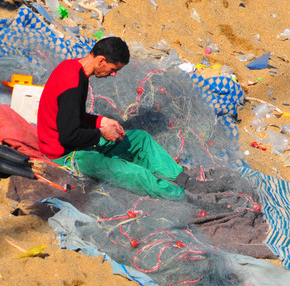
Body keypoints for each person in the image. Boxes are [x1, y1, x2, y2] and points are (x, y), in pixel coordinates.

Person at [37, 37, 204, 199]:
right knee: (134, 173)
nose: (114, 74)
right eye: (113, 69)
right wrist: (101, 133)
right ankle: (183, 197)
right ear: (101, 60)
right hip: (65, 154)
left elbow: (71, 116)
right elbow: (68, 135)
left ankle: (185, 181)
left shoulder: (72, 68)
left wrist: (100, 121)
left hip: (74, 141)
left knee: (141, 139)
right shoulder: (73, 83)